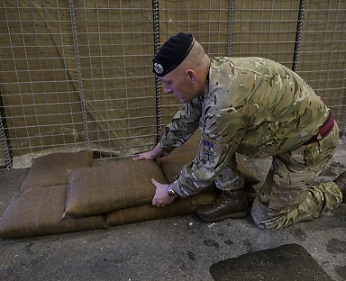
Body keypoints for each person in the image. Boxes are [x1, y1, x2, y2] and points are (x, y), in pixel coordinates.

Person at [134, 32, 346, 230]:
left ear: (190, 76)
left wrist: (171, 191)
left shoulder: (224, 104)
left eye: (168, 83)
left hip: (310, 145)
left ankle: (338, 189)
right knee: (213, 136)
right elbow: (188, 116)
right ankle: (234, 197)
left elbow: (208, 165)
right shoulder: (212, 74)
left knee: (267, 219)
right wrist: (158, 150)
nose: (166, 90)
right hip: (286, 130)